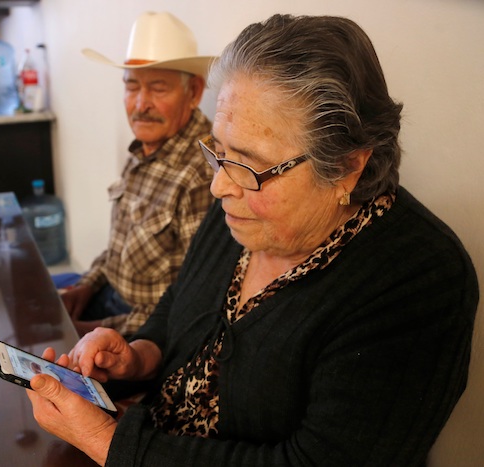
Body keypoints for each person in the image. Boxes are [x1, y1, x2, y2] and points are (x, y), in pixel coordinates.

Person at [25, 14, 479, 466]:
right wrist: (140, 357)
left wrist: (108, 441)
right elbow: (178, 305)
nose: (219, 186)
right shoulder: (242, 208)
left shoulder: (419, 279)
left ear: (346, 167)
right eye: (218, 152)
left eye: (246, 164)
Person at [62, 12, 216, 337]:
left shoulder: (202, 175)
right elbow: (119, 247)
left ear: (194, 93)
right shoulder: (144, 149)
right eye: (132, 87)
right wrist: (86, 287)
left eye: (158, 89)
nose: (141, 104)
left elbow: (192, 304)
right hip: (107, 297)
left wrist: (92, 330)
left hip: (142, 331)